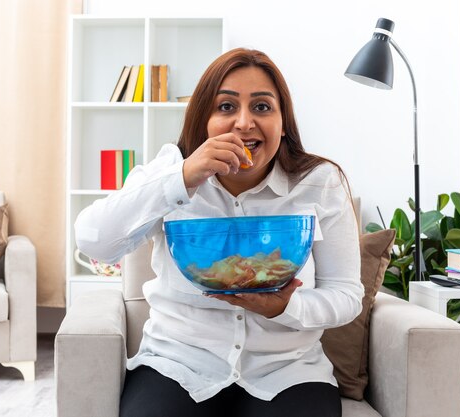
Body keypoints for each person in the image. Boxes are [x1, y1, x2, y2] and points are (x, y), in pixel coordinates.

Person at [75, 48, 363, 417]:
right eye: (226, 107)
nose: (244, 123)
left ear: (284, 123)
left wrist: (286, 307)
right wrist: (181, 179)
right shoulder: (170, 170)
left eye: (262, 107)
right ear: (202, 121)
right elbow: (93, 239)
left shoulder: (319, 182)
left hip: (289, 370)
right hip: (177, 363)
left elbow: (346, 294)